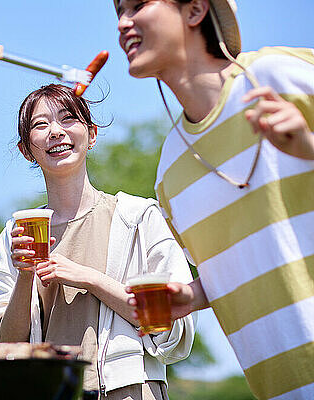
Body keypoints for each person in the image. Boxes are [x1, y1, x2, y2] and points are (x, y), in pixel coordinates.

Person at [114, 1, 314, 399]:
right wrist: (193, 296)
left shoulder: (280, 74)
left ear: (195, 10)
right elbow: (251, 262)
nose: (123, 23)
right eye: (118, 11)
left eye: (139, 5)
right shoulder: (170, 172)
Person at [0, 84, 195, 400]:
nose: (55, 131)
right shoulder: (17, 232)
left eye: (68, 119)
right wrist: (25, 274)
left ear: (91, 134)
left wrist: (89, 278)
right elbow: (5, 348)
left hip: (130, 391)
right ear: (27, 149)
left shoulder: (139, 217)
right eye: (40, 125)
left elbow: (170, 328)